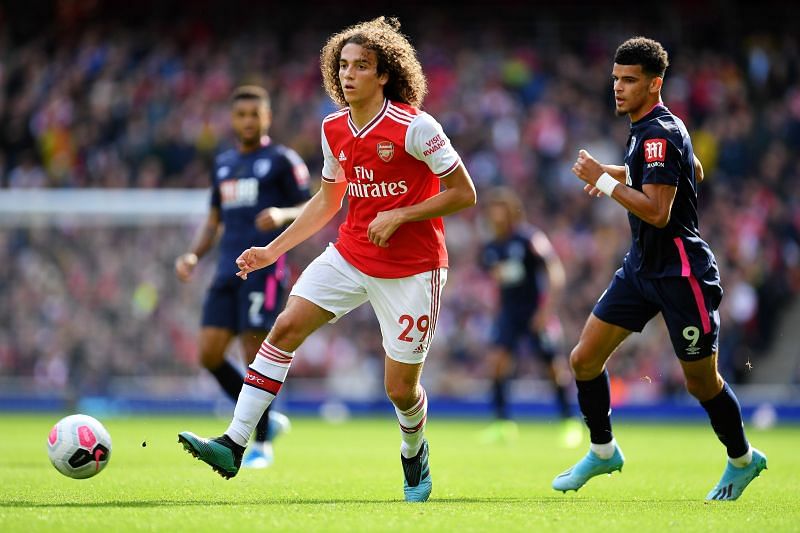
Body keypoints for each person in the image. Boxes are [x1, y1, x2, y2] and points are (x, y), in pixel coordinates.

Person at [177, 17, 476, 502]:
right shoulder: (333, 126)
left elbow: (465, 193)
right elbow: (327, 200)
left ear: (384, 75)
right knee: (284, 329)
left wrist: (401, 214)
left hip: (414, 268)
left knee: (400, 389)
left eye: (361, 66)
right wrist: (272, 250)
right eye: (342, 65)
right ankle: (234, 443)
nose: (348, 74)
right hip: (351, 253)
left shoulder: (416, 127)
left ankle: (413, 447)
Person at [551, 37, 766, 500]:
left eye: (629, 80)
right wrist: (621, 171)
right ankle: (604, 451)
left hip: (682, 274)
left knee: (700, 381)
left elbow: (657, 213)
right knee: (584, 359)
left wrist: (604, 180)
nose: (619, 88)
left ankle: (742, 459)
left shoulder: (659, 132)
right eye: (615, 79)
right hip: (642, 268)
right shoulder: (651, 129)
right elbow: (694, 172)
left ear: (655, 83)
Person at [174, 85, 310, 469]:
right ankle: (261, 418)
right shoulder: (223, 164)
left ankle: (262, 442)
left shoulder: (283, 160)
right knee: (210, 354)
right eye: (241, 114)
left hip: (264, 269)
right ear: (232, 120)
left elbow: (313, 204)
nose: (248, 120)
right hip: (225, 271)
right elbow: (214, 221)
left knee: (255, 354)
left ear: (267, 118)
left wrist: (283, 215)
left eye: (255, 114)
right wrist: (193, 255)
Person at [479, 187, 582, 447]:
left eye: (501, 207)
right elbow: (497, 279)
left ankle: (570, 422)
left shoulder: (528, 238)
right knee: (497, 363)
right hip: (509, 314)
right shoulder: (492, 246)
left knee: (553, 367)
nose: (496, 213)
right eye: (493, 208)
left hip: (535, 311)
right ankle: (503, 424)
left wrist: (546, 310)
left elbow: (554, 272)